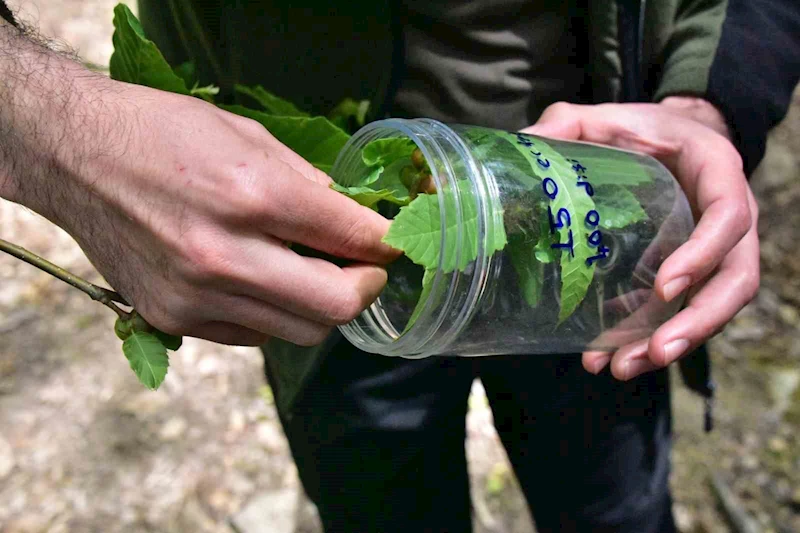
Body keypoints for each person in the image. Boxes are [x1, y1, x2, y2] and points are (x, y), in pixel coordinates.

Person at [0, 1, 798, 531]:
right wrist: (54, 129)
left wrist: (706, 96)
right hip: (316, 236)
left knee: (613, 507)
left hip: (579, 215)